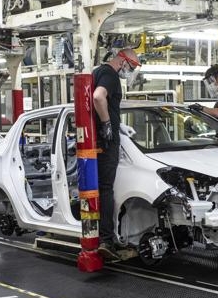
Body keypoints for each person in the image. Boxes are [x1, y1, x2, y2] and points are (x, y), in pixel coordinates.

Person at [92, 47, 141, 261]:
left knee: (101, 188)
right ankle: (106, 240)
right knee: (106, 190)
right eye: (131, 67)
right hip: (106, 143)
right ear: (122, 60)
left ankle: (102, 236)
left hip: (100, 139)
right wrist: (107, 125)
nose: (130, 72)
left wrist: (117, 124)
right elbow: (98, 97)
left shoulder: (98, 72)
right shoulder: (110, 75)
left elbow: (105, 104)